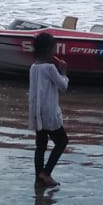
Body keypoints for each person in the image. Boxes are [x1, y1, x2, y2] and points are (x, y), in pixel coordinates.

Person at [28, 31, 69, 188]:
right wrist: (64, 72)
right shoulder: (51, 68)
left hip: (37, 113)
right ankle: (46, 173)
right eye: (53, 49)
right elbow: (63, 86)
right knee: (62, 142)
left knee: (41, 146)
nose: (55, 52)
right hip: (50, 113)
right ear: (48, 50)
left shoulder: (33, 67)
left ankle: (39, 180)